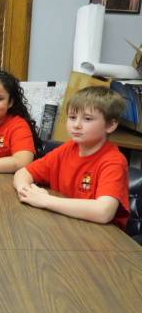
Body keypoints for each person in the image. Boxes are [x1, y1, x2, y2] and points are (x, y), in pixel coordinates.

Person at [13, 86, 129, 228]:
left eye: (87, 119)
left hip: (100, 237)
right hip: (65, 225)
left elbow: (103, 212)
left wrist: (46, 200)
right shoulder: (67, 149)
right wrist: (25, 191)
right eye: (72, 117)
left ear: (110, 125)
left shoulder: (114, 161)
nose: (77, 125)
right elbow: (23, 172)